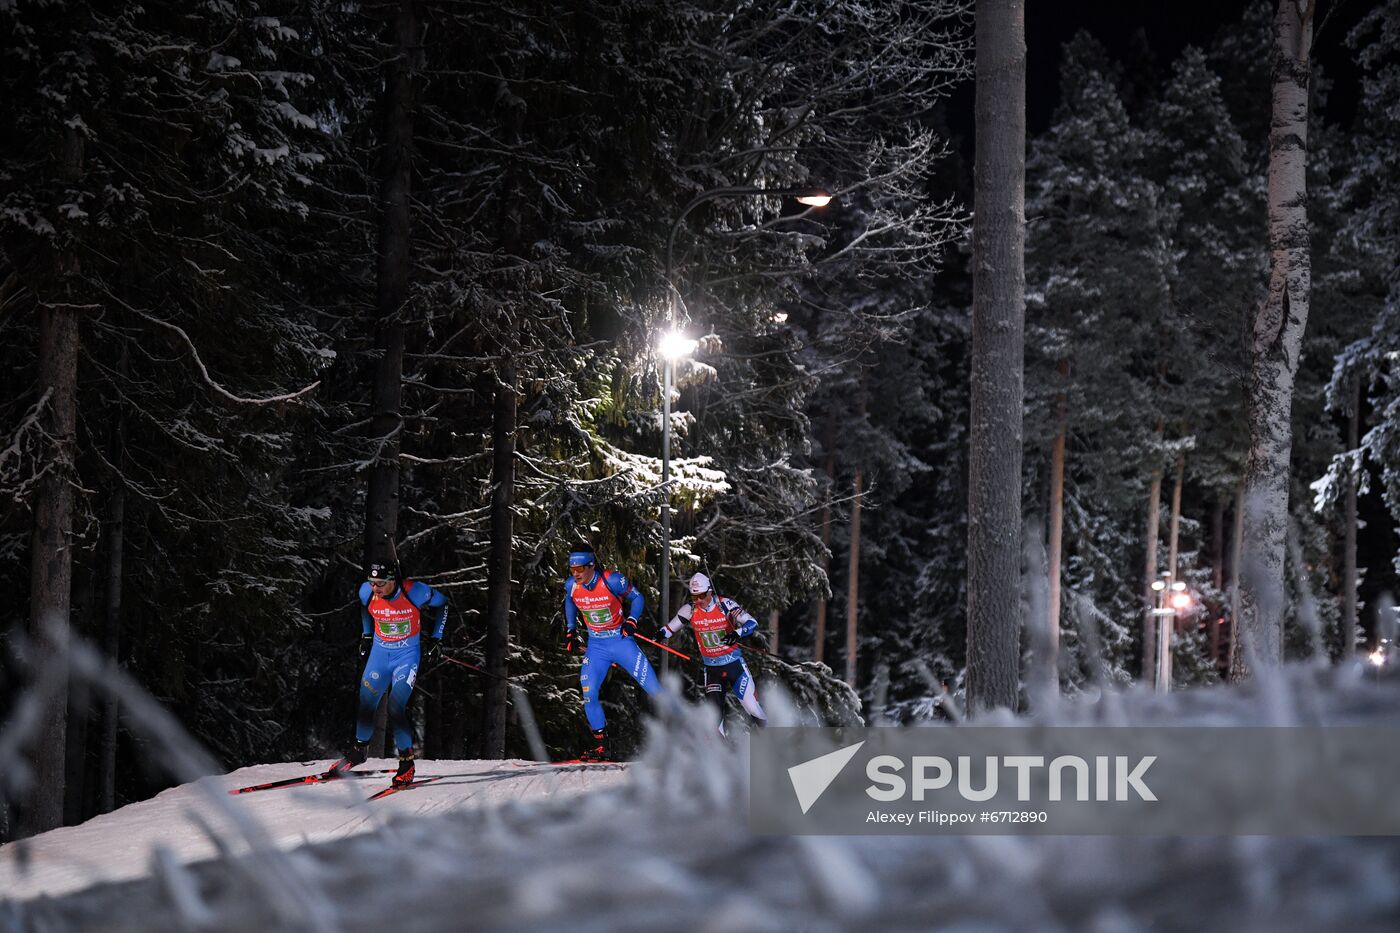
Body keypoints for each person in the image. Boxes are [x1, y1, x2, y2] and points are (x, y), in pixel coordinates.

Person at [331, 561, 449, 785]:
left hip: (406, 657)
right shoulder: (367, 591)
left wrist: (436, 639)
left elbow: (443, 604)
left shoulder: (415, 591)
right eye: (372, 582)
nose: (375, 588)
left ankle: (406, 764)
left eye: (381, 584)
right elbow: (365, 607)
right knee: (366, 701)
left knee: (396, 706)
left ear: (393, 580)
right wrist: (366, 636)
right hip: (380, 655)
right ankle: (358, 752)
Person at [563, 544, 667, 761]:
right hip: (596, 647)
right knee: (588, 694)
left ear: (591, 565)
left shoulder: (612, 580)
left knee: (654, 690)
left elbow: (637, 598)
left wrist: (631, 620)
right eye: (572, 569)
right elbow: (570, 601)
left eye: (580, 569)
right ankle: (602, 748)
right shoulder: (572, 585)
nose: (576, 574)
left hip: (621, 643)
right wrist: (570, 630)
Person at [659, 572, 768, 734]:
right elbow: (667, 630)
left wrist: (738, 633)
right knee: (714, 718)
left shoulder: (726, 605)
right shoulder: (689, 610)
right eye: (694, 596)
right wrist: (658, 635)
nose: (698, 601)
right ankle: (722, 755)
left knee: (751, 707)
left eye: (702, 595)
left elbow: (752, 622)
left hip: (735, 666)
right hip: (712, 670)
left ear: (710, 591)